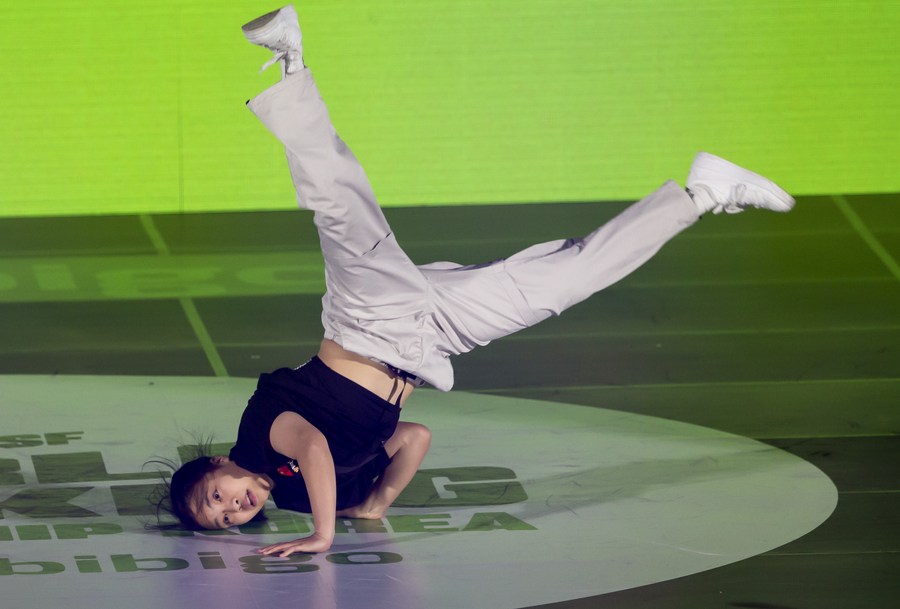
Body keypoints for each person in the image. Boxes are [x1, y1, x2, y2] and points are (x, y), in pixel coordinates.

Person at [158, 4, 795, 557]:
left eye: (217, 495)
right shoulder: (297, 494)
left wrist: (326, 533)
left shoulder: (258, 437)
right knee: (563, 281)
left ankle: (292, 62)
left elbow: (316, 444)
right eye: (226, 520)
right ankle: (700, 192)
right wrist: (373, 506)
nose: (234, 507)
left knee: (342, 209)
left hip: (368, 322)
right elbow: (412, 436)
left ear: (218, 464)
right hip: (430, 338)